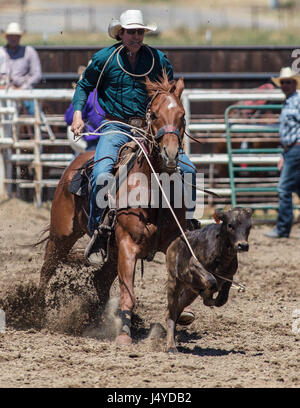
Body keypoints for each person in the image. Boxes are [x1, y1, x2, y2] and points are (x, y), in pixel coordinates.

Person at [71, 9, 197, 266]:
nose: (136, 36)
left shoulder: (158, 59)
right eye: (131, 31)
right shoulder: (105, 58)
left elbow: (169, 92)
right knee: (102, 173)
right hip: (115, 126)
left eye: (140, 32)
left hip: (150, 129)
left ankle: (187, 224)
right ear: (121, 33)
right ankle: (99, 232)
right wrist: (77, 115)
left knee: (188, 169)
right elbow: (85, 86)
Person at [264, 67, 300, 238]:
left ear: (294, 83)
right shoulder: (289, 102)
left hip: (297, 148)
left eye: (288, 82)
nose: (285, 85)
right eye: (283, 82)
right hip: (291, 150)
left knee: (284, 189)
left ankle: (283, 228)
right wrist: (284, 155)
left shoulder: (297, 101)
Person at [0, 22, 42, 115]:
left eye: (16, 36)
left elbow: (37, 74)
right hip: (3, 91)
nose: (13, 38)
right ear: (6, 37)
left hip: (24, 92)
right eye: (11, 35)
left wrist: (22, 88)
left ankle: (38, 128)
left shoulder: (29, 51)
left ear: (20, 37)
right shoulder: (1, 52)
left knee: (34, 112)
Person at [65, 65, 105, 152]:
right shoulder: (110, 92)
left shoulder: (86, 94)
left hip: (94, 141)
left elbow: (69, 119)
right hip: (114, 137)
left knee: (78, 162)